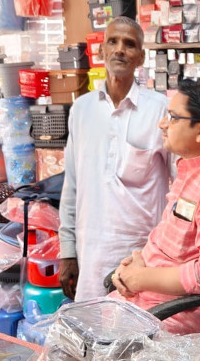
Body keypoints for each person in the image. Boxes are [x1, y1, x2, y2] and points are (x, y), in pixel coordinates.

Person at [109, 78, 200, 335]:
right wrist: (137, 263)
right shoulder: (193, 169)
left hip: (175, 317)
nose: (162, 124)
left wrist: (141, 278)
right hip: (151, 303)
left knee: (84, 348)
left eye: (173, 117)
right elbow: (173, 246)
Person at [58, 17, 171, 302]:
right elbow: (71, 185)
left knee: (137, 335)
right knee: (94, 333)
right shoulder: (81, 109)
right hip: (90, 250)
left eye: (129, 44)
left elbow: (181, 185)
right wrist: (68, 251)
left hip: (142, 253)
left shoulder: (160, 109)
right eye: (113, 42)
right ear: (101, 52)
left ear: (141, 57)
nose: (120, 50)